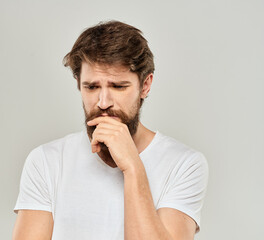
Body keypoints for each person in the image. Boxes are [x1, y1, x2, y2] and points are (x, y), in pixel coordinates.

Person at [12, 20, 208, 240]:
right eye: (92, 87)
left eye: (118, 86)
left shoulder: (184, 165)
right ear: (78, 84)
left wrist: (133, 167)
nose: (103, 102)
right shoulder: (46, 161)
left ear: (145, 85)